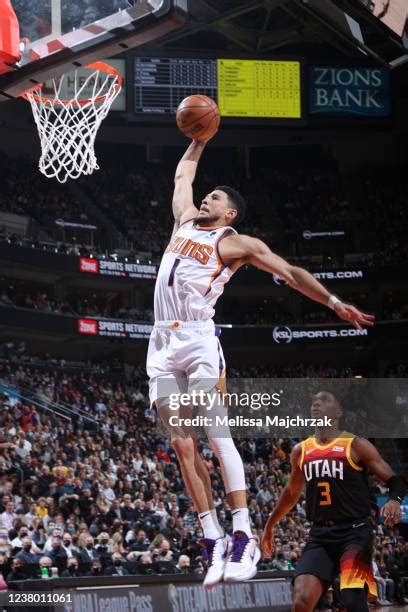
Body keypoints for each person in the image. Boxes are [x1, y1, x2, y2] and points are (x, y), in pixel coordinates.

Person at [146, 136, 375, 589]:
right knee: (179, 442)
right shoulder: (183, 222)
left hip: (197, 341)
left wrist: (333, 302)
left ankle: (243, 532)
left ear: (229, 213)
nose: (206, 196)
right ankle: (211, 536)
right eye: (206, 194)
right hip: (160, 342)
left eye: (216, 197)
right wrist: (198, 139)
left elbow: (289, 273)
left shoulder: (235, 243)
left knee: (214, 435)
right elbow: (181, 175)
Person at [261, 391, 405, 612]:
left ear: (338, 412)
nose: (317, 404)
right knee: (302, 600)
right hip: (320, 535)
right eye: (314, 402)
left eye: (325, 400)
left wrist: (394, 500)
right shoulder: (301, 451)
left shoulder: (355, 444)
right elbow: (291, 493)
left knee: (351, 599)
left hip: (354, 531)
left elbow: (395, 480)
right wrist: (270, 525)